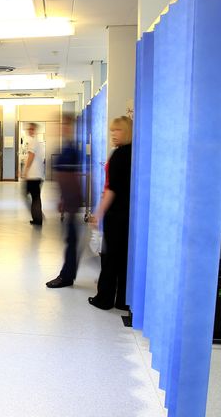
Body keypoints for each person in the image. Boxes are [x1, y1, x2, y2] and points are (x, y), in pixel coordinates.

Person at [88, 116, 133, 310]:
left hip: (116, 214)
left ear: (127, 131)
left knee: (109, 258)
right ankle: (124, 300)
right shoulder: (134, 153)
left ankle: (104, 299)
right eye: (112, 130)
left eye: (118, 130)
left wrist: (98, 213)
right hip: (129, 213)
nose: (113, 134)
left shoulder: (119, 155)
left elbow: (111, 189)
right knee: (124, 258)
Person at [46, 113, 83, 288]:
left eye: (65, 125)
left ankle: (67, 276)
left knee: (72, 238)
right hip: (68, 199)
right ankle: (68, 274)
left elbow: (72, 177)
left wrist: (68, 200)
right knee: (71, 238)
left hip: (72, 200)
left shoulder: (72, 150)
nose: (62, 128)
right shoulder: (66, 147)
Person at [22, 122, 45, 225]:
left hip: (33, 176)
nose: (30, 131)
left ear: (35, 130)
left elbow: (31, 156)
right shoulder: (37, 142)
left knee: (30, 196)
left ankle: (38, 217)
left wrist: (25, 171)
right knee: (35, 197)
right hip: (37, 175)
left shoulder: (32, 142)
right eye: (29, 129)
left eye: (32, 129)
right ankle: (38, 217)